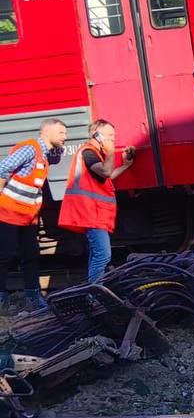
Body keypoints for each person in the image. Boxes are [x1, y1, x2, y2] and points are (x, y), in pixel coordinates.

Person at [0, 117, 67, 309]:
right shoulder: (31, 149)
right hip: (8, 212)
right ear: (47, 132)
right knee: (4, 255)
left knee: (31, 256)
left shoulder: (43, 156)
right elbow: (3, 168)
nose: (65, 137)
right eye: (61, 132)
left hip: (27, 218)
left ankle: (32, 296)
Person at [58, 119, 134, 284]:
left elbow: (107, 178)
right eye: (110, 136)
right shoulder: (89, 152)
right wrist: (111, 151)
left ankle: (93, 293)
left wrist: (125, 166)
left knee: (97, 254)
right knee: (103, 254)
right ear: (97, 135)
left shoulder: (94, 154)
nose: (113, 139)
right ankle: (94, 294)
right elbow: (106, 172)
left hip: (95, 213)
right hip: (90, 212)